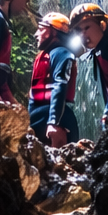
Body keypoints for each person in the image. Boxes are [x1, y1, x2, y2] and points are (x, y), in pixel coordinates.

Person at [29, 12, 80, 147]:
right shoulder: (45, 56)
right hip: (41, 115)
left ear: (54, 32)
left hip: (57, 117)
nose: (36, 34)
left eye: (41, 29)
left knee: (58, 157)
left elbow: (60, 85)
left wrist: (54, 121)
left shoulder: (61, 53)